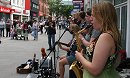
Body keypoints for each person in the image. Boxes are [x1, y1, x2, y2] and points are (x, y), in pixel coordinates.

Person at [75, 1, 121, 78]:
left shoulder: (105, 37)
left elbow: (95, 70)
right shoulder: (112, 34)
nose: (90, 19)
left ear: (103, 17)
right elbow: (116, 62)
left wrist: (80, 57)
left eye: (93, 15)